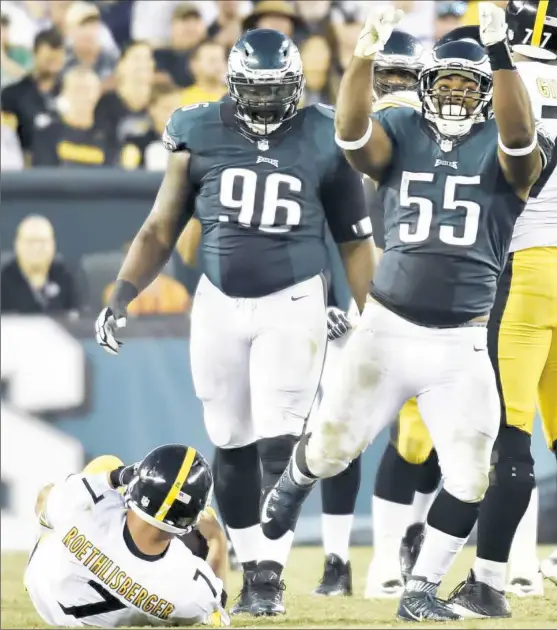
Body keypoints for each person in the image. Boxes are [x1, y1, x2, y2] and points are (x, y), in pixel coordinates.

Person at [261, 3, 550, 621]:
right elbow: (349, 135)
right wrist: (363, 54)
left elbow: (521, 139)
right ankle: (295, 480)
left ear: (484, 93)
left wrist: (500, 57)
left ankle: (419, 590)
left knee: (472, 476)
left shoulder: (515, 147)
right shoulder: (402, 128)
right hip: (386, 331)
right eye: (443, 81)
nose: (451, 93)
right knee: (335, 448)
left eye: (465, 84)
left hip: (462, 344)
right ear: (423, 86)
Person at [94, 28, 374, 617]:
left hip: (292, 300)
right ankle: (252, 567)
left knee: (279, 439)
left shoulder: (326, 133)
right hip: (217, 301)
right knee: (229, 440)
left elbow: (353, 241)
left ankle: (271, 576)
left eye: (278, 91)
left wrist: (374, 316)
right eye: (257, 90)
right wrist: (121, 294)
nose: (269, 103)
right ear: (233, 84)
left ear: (296, 85)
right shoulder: (196, 127)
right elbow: (161, 225)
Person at [448, 0, 557, 615]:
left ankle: (489, 583)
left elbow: (520, 172)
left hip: (524, 265)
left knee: (511, 439)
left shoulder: (509, 83)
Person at [312, 28, 428, 599]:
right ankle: (337, 561)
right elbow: (314, 228)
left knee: (425, 434)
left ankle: (411, 535)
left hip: (418, 303)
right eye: (390, 78)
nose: (399, 89)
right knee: (343, 434)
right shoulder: (339, 138)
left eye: (409, 79)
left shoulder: (437, 141)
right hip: (350, 309)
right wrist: (325, 298)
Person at [24, 445, 230, 627]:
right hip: (93, 618)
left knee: (105, 464)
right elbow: (216, 601)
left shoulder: (83, 503)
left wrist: (117, 475)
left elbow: (44, 497)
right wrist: (216, 539)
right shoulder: (186, 586)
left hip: (39, 586)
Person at [0, 27, 65, 164]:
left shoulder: (70, 92)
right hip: (28, 171)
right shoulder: (13, 95)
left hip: (66, 166)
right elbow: (7, 140)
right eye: (48, 59)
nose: (52, 65)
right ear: (35, 54)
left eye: (57, 60)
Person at [1, 215, 79, 314]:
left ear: (53, 245)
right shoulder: (4, 280)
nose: (37, 248)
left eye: (43, 242)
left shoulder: (64, 276)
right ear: (17, 245)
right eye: (30, 242)